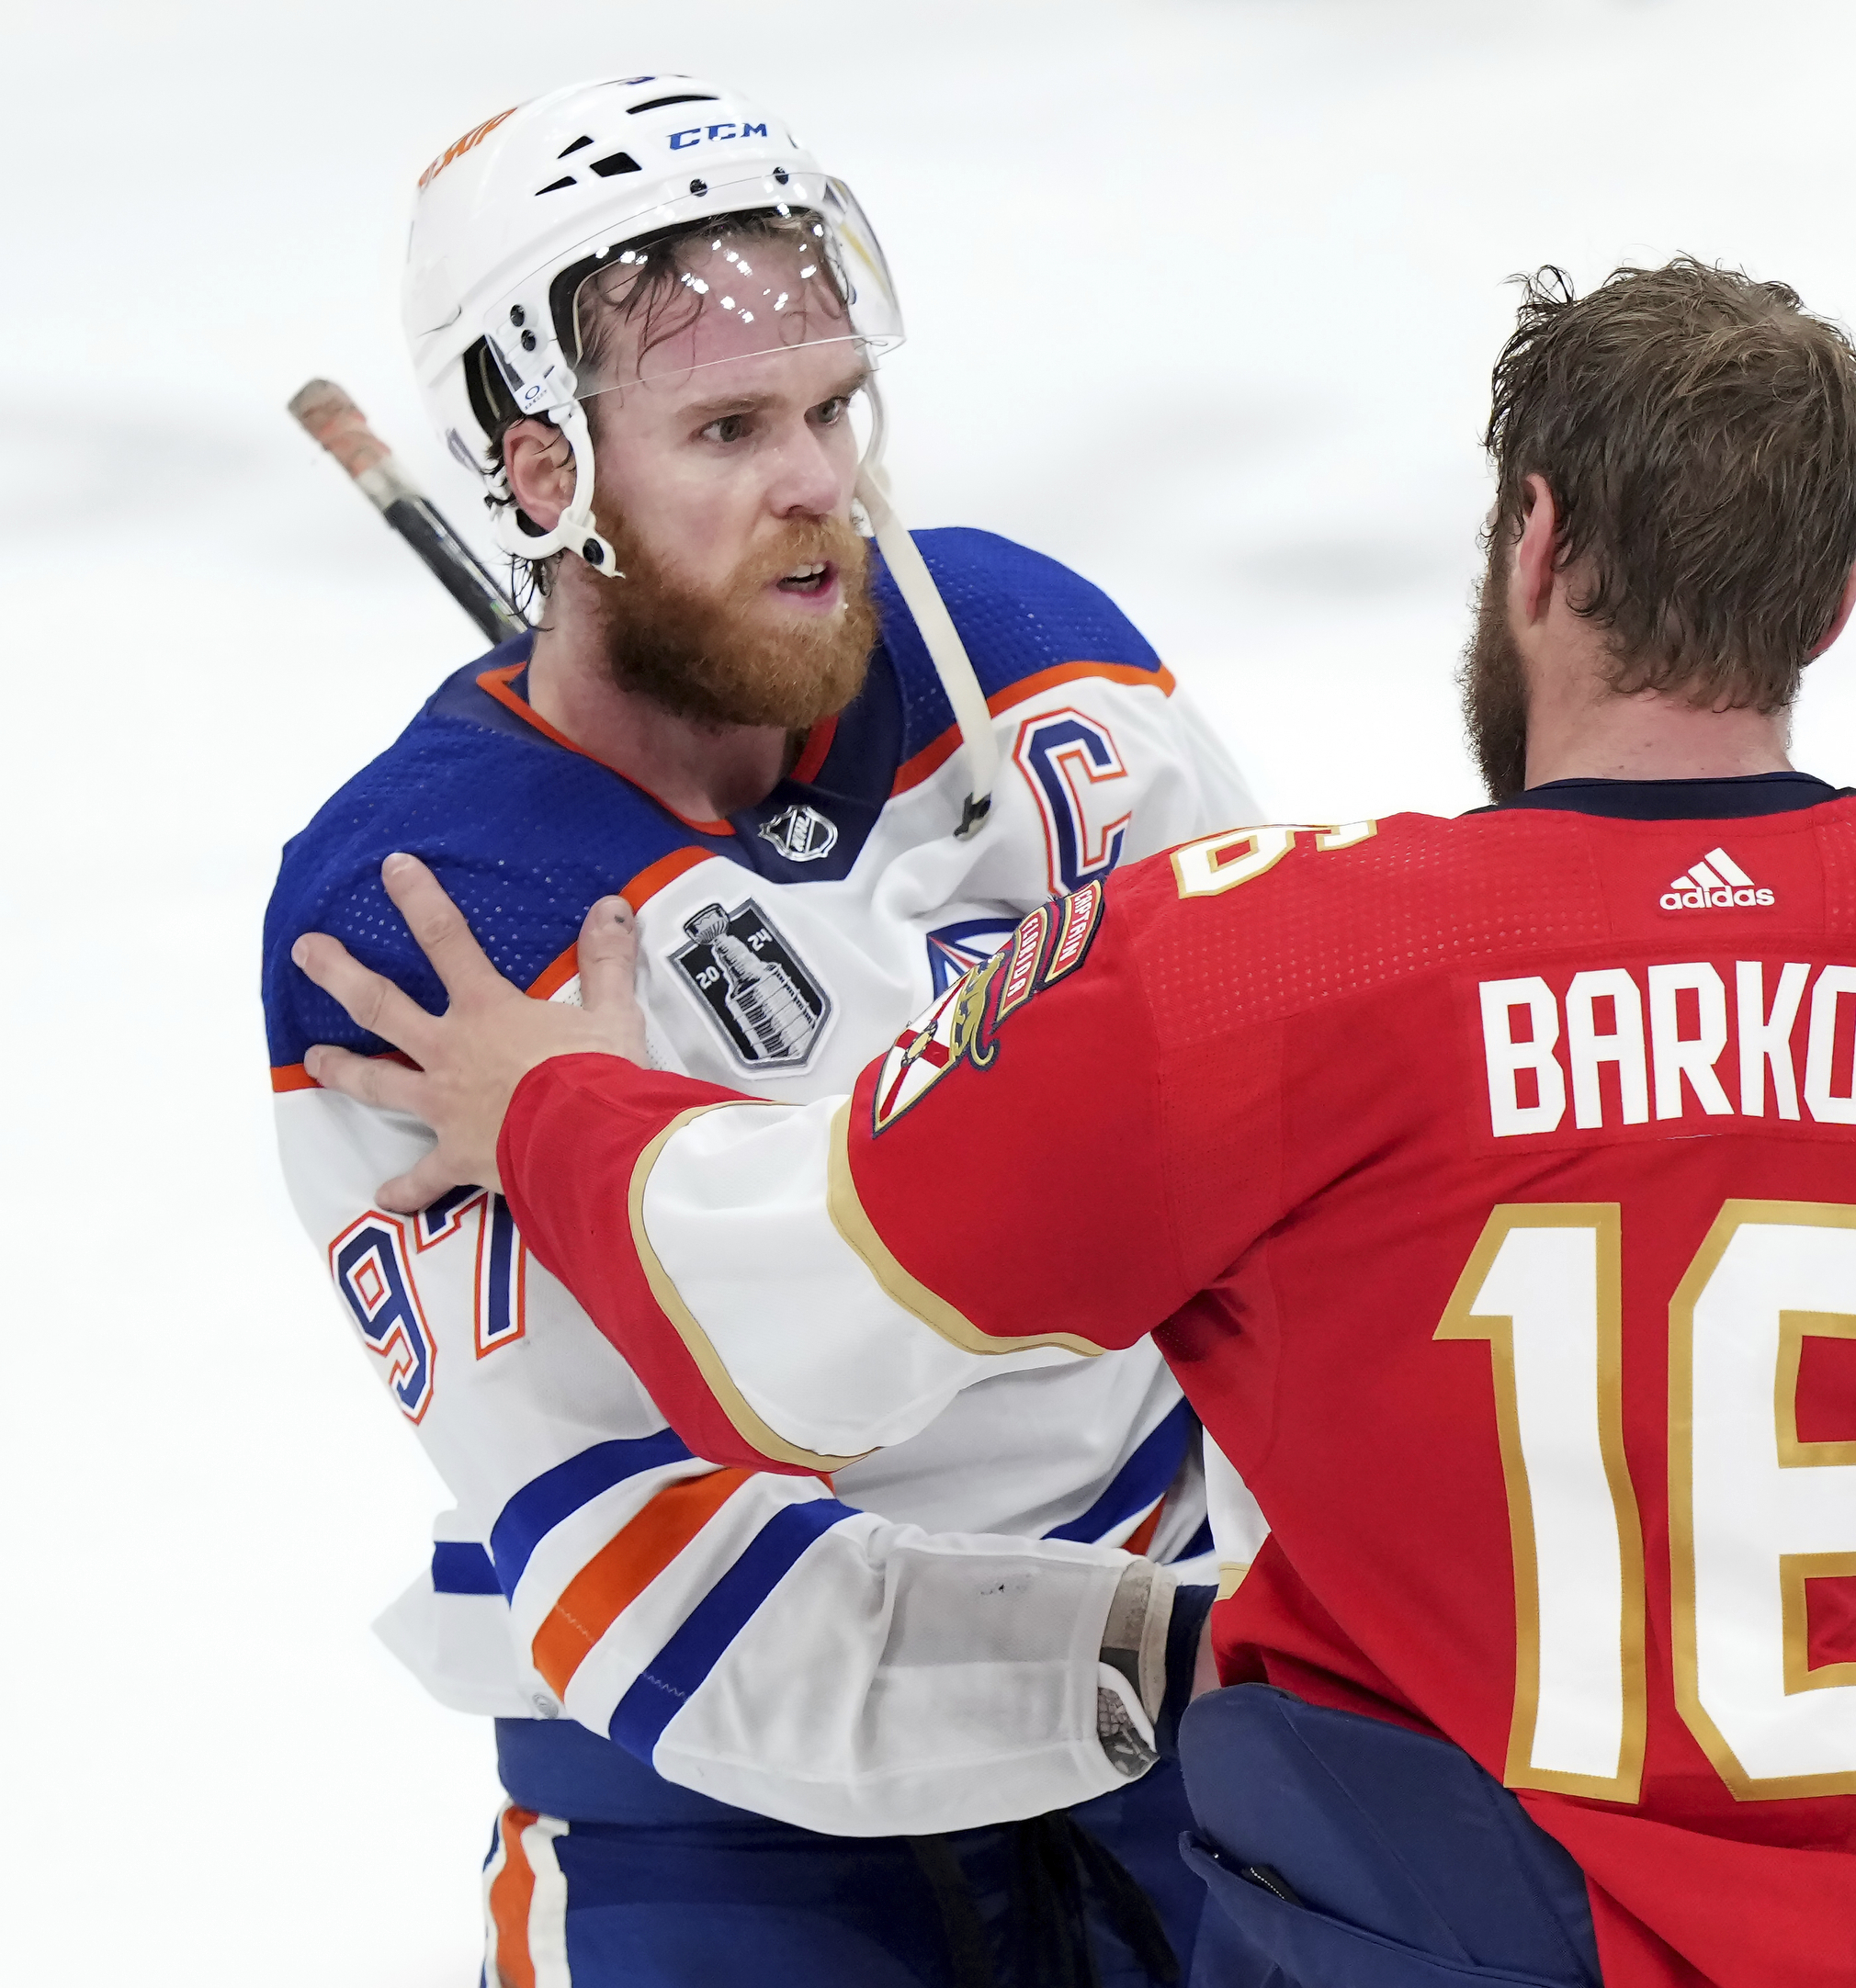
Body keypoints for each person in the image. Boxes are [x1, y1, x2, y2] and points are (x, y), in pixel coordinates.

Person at [298, 260, 1856, 1988]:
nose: (815, 473)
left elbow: (784, 1318)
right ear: (1835, 595)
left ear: (1532, 542)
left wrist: (551, 1096)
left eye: (824, 413)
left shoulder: (1285, 964)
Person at [263, 73, 1262, 1988]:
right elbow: (671, 1605)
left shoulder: (1033, 661)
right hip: (725, 1822)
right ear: (542, 475)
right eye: (728, 426)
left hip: (1197, 1700)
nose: (820, 480)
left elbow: (1290, 1189)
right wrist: (1198, 1657)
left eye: (830, 409)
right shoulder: (428, 921)